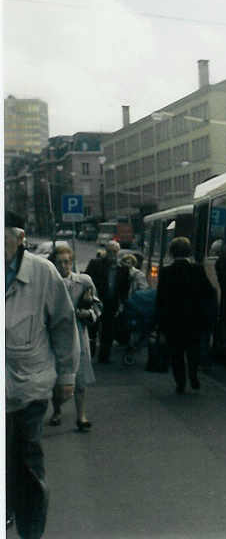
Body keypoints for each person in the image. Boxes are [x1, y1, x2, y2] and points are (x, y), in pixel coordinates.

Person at [6, 211, 79, 538]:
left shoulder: (42, 272)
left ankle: (30, 531)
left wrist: (67, 376)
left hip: (28, 389)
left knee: (26, 464)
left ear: (19, 238)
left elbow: (64, 324)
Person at [47, 244, 101, 432]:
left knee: (80, 378)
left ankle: (81, 415)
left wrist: (88, 313)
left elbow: (97, 305)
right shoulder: (49, 285)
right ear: (54, 264)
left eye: (67, 262)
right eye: (60, 262)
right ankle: (57, 410)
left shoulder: (84, 281)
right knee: (57, 379)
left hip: (79, 334)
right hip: (56, 337)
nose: (64, 266)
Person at [156, 237, 214, 394]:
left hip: (173, 321)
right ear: (189, 251)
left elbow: (160, 300)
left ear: (172, 253)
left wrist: (160, 325)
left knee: (176, 353)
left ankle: (180, 382)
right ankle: (193, 375)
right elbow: (209, 293)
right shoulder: (198, 270)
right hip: (194, 320)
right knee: (193, 350)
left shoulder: (166, 272)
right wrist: (207, 317)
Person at [85, 240, 130, 363]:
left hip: (112, 303)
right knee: (92, 329)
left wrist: (122, 304)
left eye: (114, 251)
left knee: (108, 330)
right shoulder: (95, 264)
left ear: (118, 252)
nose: (112, 254)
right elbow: (87, 280)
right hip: (96, 301)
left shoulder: (123, 269)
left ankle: (104, 357)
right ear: (106, 251)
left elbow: (125, 289)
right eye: (110, 251)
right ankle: (90, 353)